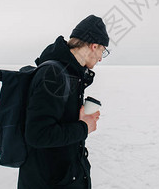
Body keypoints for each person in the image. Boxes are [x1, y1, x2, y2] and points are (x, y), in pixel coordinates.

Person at [18, 15, 110, 189]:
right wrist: (84, 127)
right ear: (94, 45)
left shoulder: (70, 73)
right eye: (102, 51)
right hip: (47, 181)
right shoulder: (53, 75)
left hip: (62, 178)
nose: (100, 58)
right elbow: (37, 134)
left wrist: (79, 119)